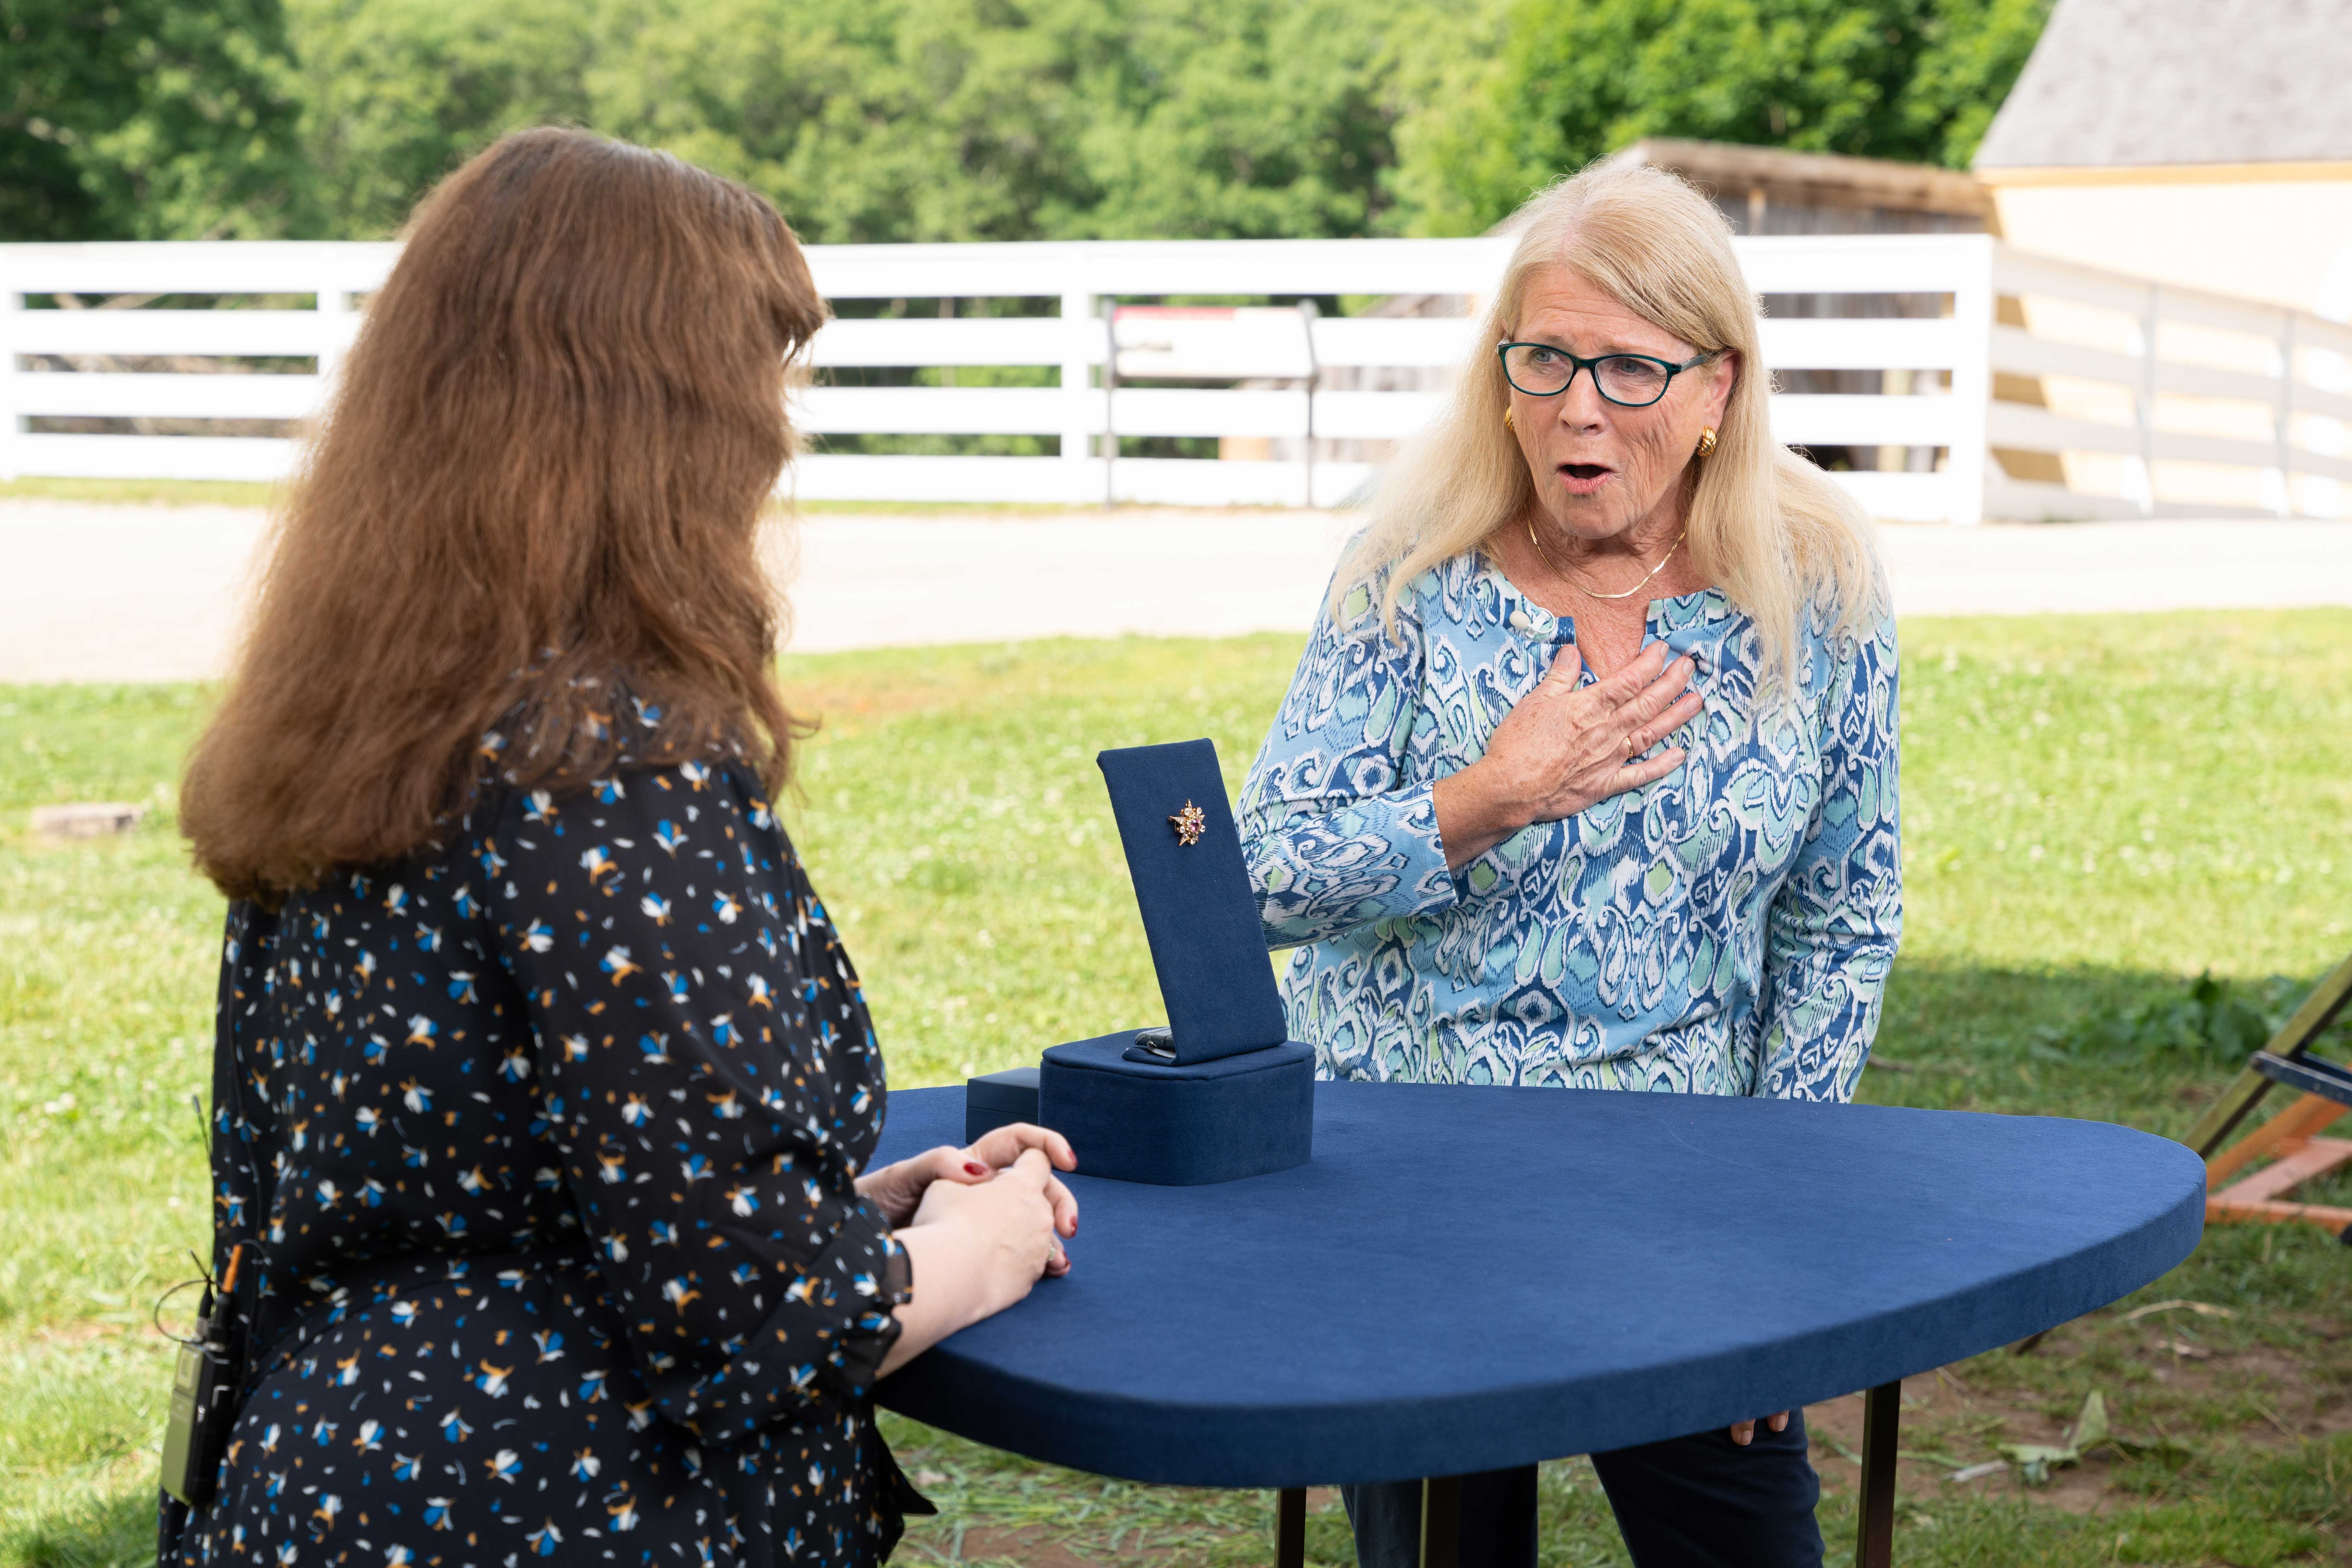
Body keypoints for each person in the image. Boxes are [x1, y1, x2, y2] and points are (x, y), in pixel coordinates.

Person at [162, 127, 1077, 1568]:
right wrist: (981, 1251)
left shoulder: (362, 736)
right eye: (756, 381)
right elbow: (759, 1321)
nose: (777, 438)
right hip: (566, 1504)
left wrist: (844, 1206)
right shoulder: (608, 767)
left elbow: (471, 1169)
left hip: (322, 1483)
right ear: (658, 416)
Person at [1239, 159, 1901, 1568]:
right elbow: (1264, 879)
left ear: (1720, 389)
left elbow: (1842, 918)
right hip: (1409, 1178)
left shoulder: (1817, 587)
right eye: (1542, 359)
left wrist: (1779, 1236)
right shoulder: (1408, 577)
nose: (1576, 407)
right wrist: (1487, 796)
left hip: (1687, 1196)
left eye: (1629, 370)